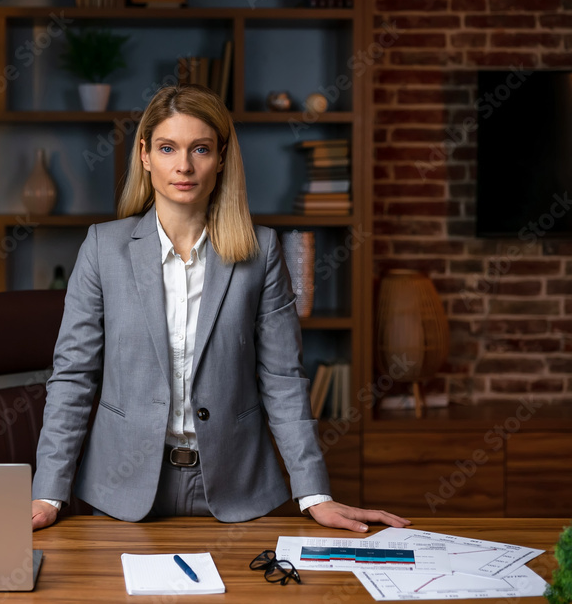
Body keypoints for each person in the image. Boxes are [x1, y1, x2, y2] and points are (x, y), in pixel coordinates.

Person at [30, 84, 409, 533]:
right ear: (146, 154)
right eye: (168, 148)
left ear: (222, 157)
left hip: (237, 491)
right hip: (119, 490)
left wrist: (315, 494)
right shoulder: (102, 247)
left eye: (201, 149)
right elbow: (74, 376)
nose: (184, 166)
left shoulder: (261, 251)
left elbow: (283, 378)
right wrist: (48, 492)